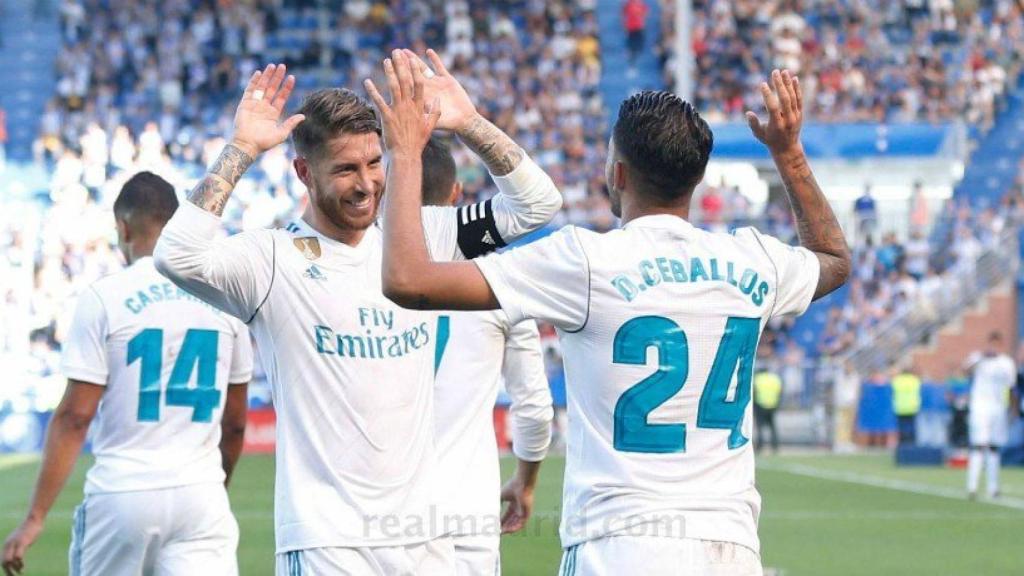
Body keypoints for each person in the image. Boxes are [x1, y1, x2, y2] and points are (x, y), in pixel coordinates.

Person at [369, 55, 849, 575]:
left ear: (616, 173)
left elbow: (408, 281)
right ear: (696, 178)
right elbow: (835, 260)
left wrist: (406, 153)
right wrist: (789, 153)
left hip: (619, 545)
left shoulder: (584, 261)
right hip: (728, 548)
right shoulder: (753, 259)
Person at [154, 57, 562, 574]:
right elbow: (176, 256)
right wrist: (242, 150)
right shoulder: (271, 260)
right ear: (304, 172)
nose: (367, 184)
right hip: (329, 544)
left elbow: (538, 205)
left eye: (375, 163)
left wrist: (466, 121)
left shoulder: (419, 240)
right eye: (346, 169)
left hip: (424, 540)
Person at [2, 172, 253, 576]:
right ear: (175, 222)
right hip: (201, 494)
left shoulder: (105, 297)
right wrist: (210, 488)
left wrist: (35, 517)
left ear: (122, 227)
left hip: (123, 491)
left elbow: (75, 417)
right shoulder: (225, 299)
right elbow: (236, 423)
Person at [423, 136, 553, 575]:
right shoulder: (502, 278)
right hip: (466, 511)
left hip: (378, 507)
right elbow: (534, 408)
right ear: (455, 194)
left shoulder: (360, 265)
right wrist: (526, 482)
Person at [964, 332, 1017, 500]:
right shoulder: (978, 359)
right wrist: (981, 357)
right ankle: (972, 486)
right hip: (980, 407)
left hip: (998, 408)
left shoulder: (1006, 363)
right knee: (978, 445)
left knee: (994, 447)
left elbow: (1011, 387)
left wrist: (1012, 409)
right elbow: (965, 371)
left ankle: (993, 487)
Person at [753, 366, 783, 454]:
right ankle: (775, 446)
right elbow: (780, 391)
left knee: (760, 427)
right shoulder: (775, 378)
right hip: (773, 405)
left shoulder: (757, 379)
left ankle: (760, 446)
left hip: (760, 405)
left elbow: (754, 392)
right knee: (773, 427)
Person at [891, 366, 922, 445]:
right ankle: (912, 442)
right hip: (912, 407)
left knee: (901, 427)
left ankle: (902, 442)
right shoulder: (915, 380)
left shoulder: (896, 380)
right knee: (912, 426)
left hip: (899, 407)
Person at [622, 0, 649, 66]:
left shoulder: (640, 3)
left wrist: (643, 20)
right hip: (631, 26)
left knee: (639, 40)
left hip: (639, 26)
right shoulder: (628, 4)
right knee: (631, 41)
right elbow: (623, 13)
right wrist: (624, 24)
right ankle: (630, 53)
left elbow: (646, 12)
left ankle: (637, 52)